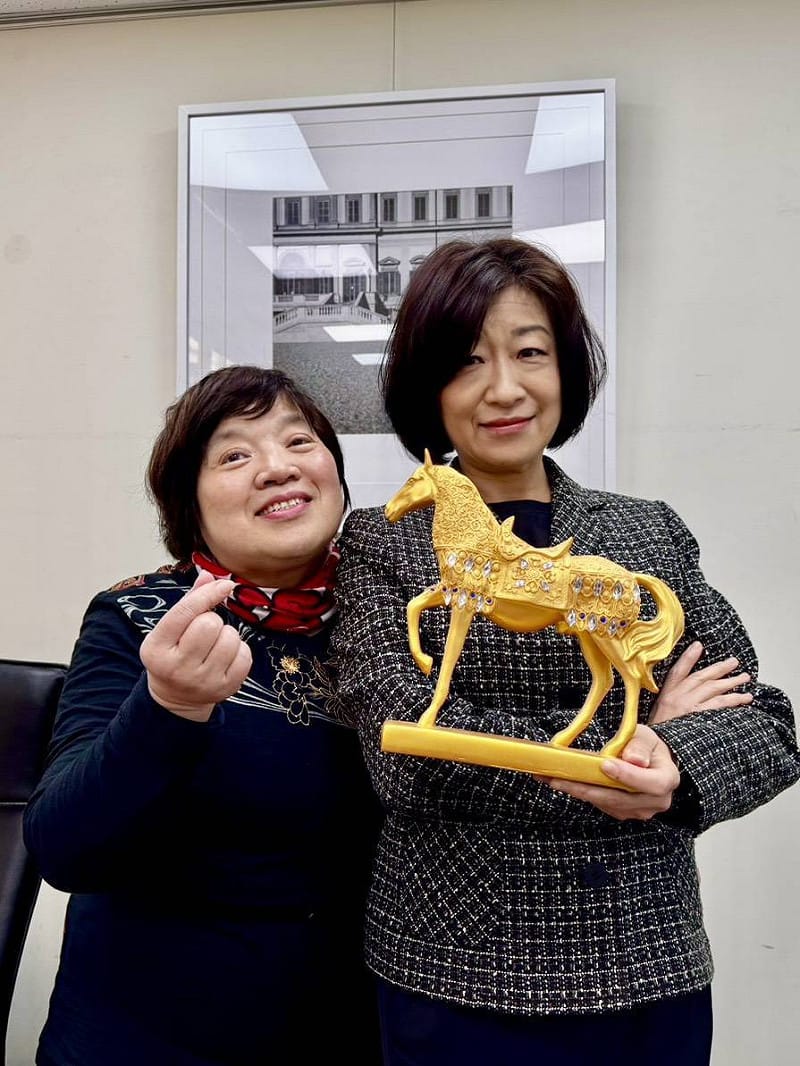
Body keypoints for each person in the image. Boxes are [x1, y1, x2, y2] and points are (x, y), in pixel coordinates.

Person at [330, 237, 800, 1066]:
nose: (504, 388)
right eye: (467, 361)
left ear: (566, 369)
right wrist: (633, 740)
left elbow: (764, 719)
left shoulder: (646, 531)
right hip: (457, 970)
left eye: (530, 353)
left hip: (646, 961)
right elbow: (405, 752)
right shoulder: (382, 543)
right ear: (427, 385)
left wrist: (675, 764)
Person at [24, 366, 382, 1066]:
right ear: (188, 502)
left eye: (298, 441)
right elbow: (64, 847)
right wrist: (170, 707)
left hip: (350, 1030)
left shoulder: (394, 622)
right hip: (149, 1038)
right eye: (235, 455)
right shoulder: (140, 618)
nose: (277, 467)